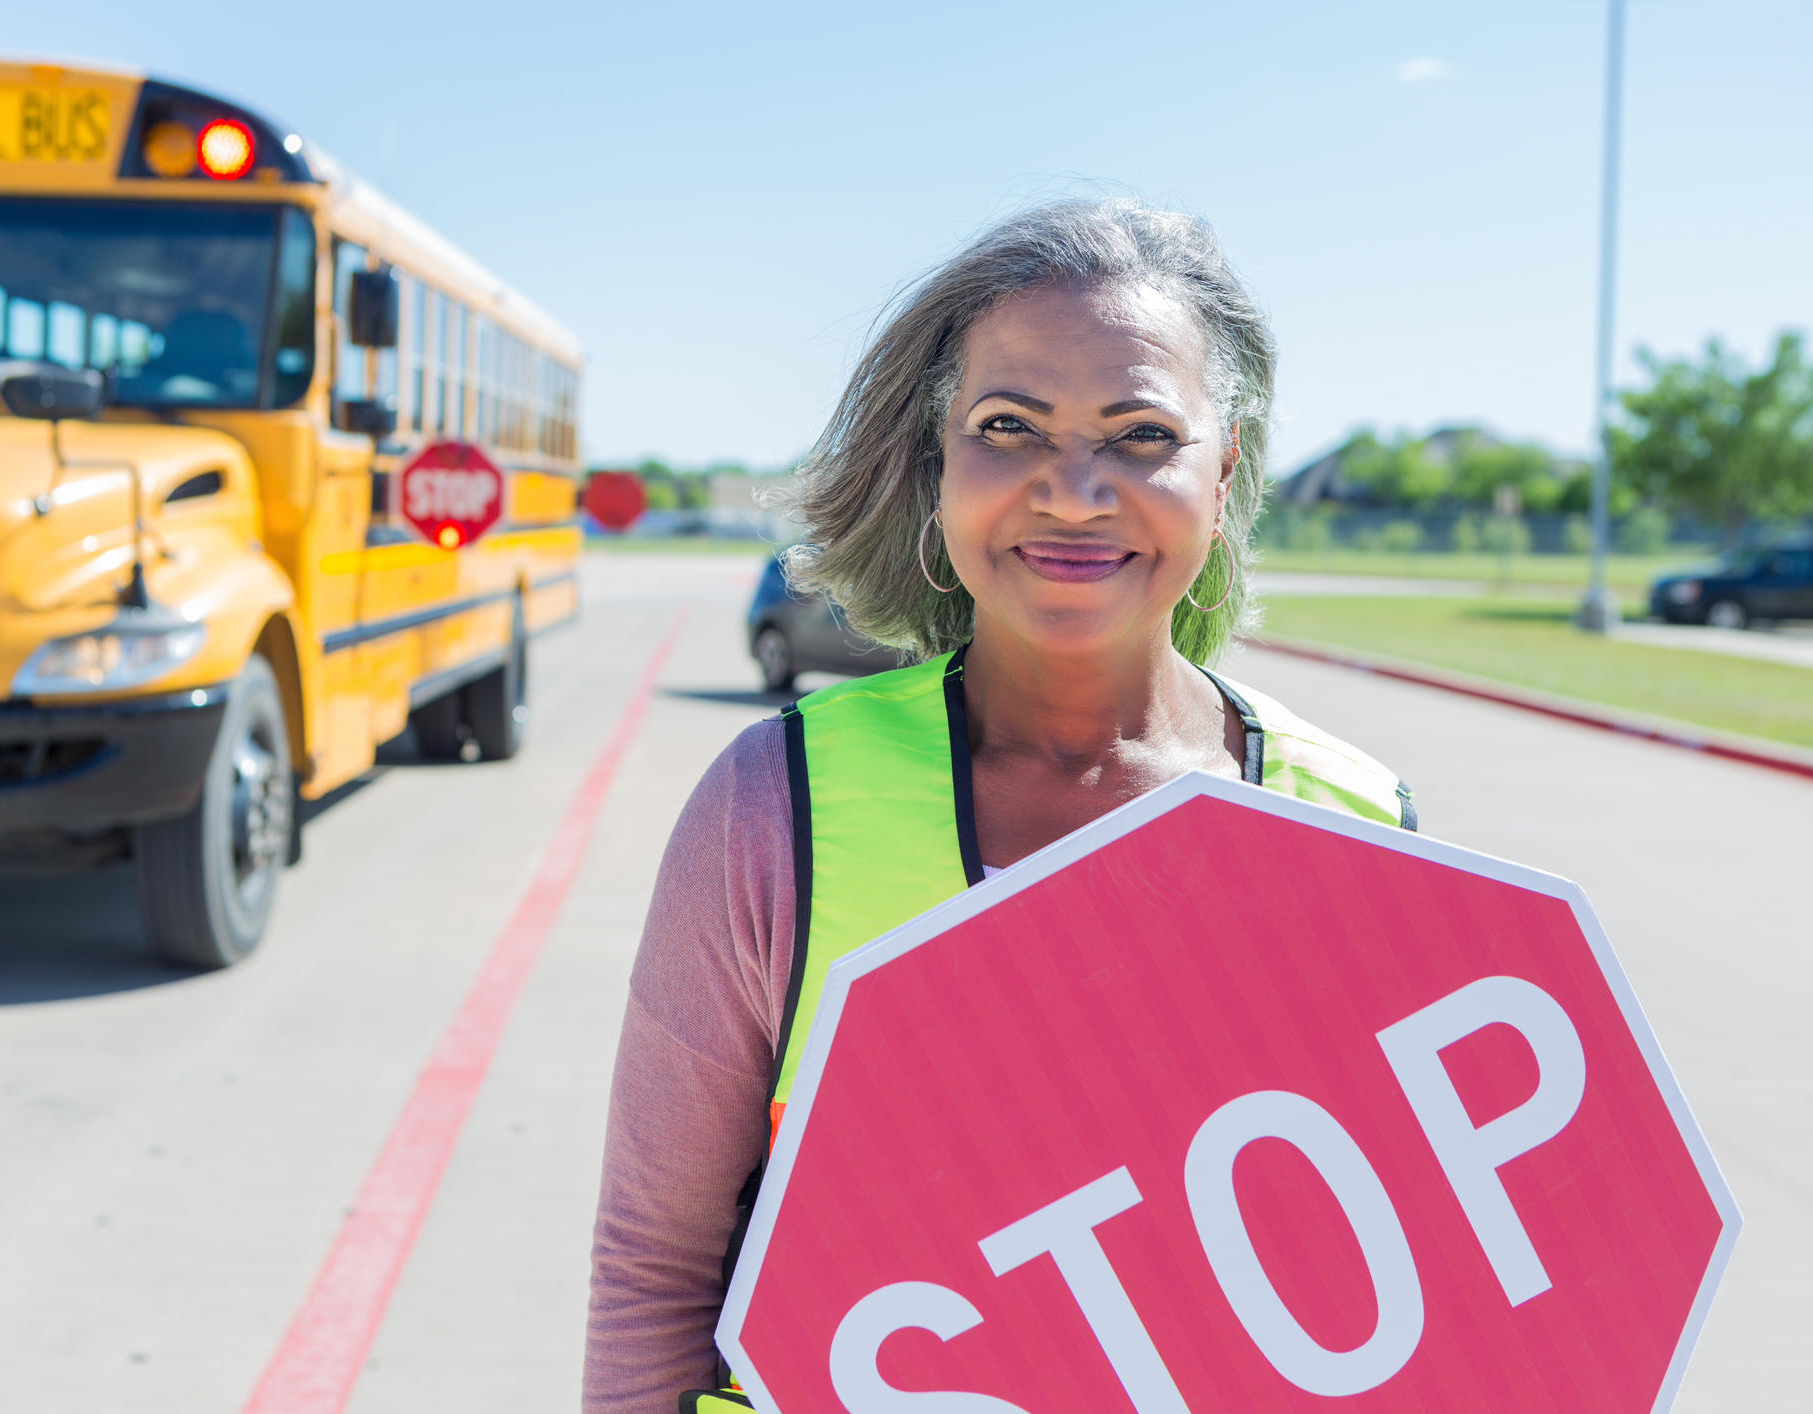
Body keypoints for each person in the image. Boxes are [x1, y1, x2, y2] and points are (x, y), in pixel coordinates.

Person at [583, 200, 1412, 1413]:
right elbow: (657, 1269)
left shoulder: (1355, 825)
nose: (1073, 490)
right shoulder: (775, 810)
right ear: (937, 462)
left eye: (1141, 435)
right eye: (1009, 425)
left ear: (1223, 467)